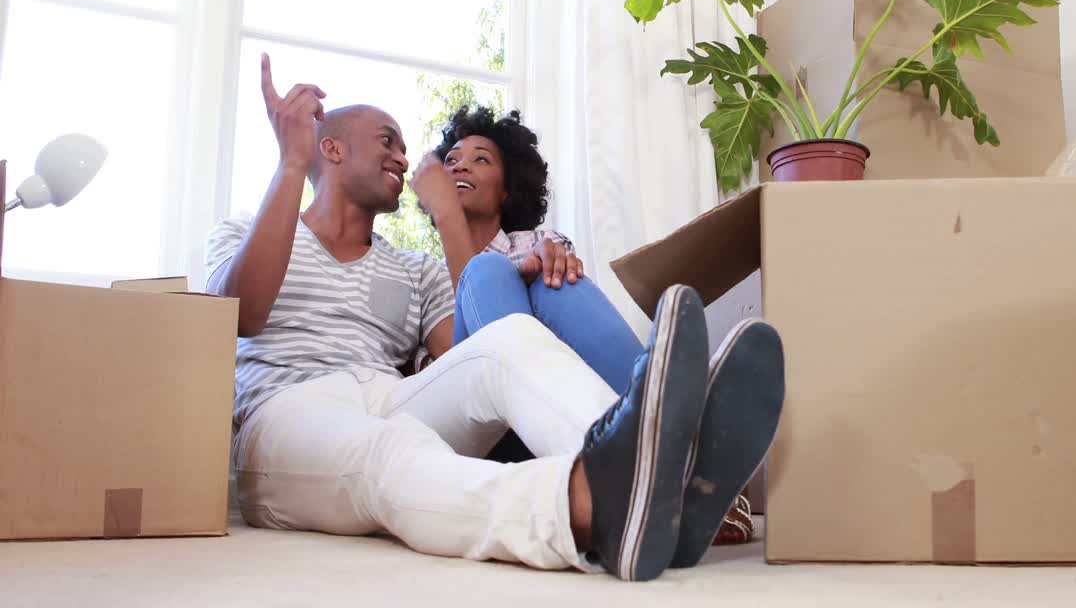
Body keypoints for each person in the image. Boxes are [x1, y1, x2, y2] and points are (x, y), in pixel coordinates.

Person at [204, 53, 785, 581]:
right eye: (387, 142)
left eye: (405, 147)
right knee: (392, 455)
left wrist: (521, 278)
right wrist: (289, 165)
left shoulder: (416, 270)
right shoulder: (243, 231)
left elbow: (470, 354)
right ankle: (588, 503)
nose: (404, 159)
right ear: (330, 150)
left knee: (505, 342)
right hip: (290, 408)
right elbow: (245, 314)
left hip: (385, 396)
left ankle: (656, 468)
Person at [418, 105, 755, 544]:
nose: (460, 164)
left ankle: (674, 440)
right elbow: (450, 367)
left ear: (506, 190)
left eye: (481, 158)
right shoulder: (420, 271)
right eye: (451, 160)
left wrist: (531, 265)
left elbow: (547, 273)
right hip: (489, 432)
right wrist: (450, 222)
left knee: (553, 277)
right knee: (487, 273)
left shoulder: (542, 244)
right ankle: (681, 446)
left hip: (562, 426)